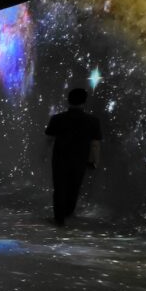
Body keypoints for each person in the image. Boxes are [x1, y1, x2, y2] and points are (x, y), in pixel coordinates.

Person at [45, 88, 102, 226]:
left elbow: (49, 139)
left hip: (60, 157)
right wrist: (94, 160)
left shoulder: (57, 119)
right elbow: (95, 144)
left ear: (68, 100)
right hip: (80, 158)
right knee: (74, 186)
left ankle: (59, 218)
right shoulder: (93, 121)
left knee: (59, 187)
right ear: (84, 101)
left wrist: (43, 155)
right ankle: (68, 212)